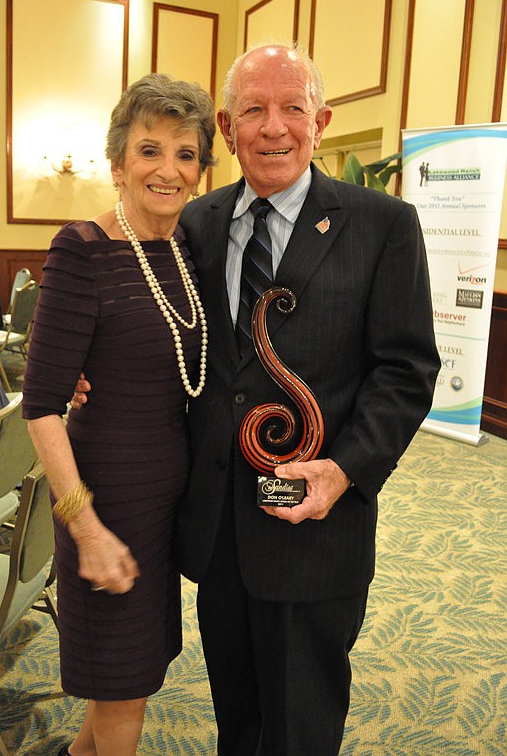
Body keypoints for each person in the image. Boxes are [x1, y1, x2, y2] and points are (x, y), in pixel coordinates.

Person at [75, 43, 440, 755]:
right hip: (217, 529)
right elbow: (141, 312)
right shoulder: (195, 222)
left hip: (316, 523)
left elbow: (405, 371)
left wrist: (345, 469)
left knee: (302, 726)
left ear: (321, 119)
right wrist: (90, 366)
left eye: (292, 108)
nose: (275, 127)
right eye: (253, 110)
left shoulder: (382, 224)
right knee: (237, 719)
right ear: (226, 125)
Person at [22, 73, 215, 756]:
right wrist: (88, 529)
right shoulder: (84, 249)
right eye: (150, 150)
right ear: (117, 162)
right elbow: (42, 407)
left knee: (128, 675)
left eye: (186, 153)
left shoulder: (186, 244)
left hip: (164, 504)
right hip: (106, 503)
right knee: (123, 688)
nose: (168, 169)